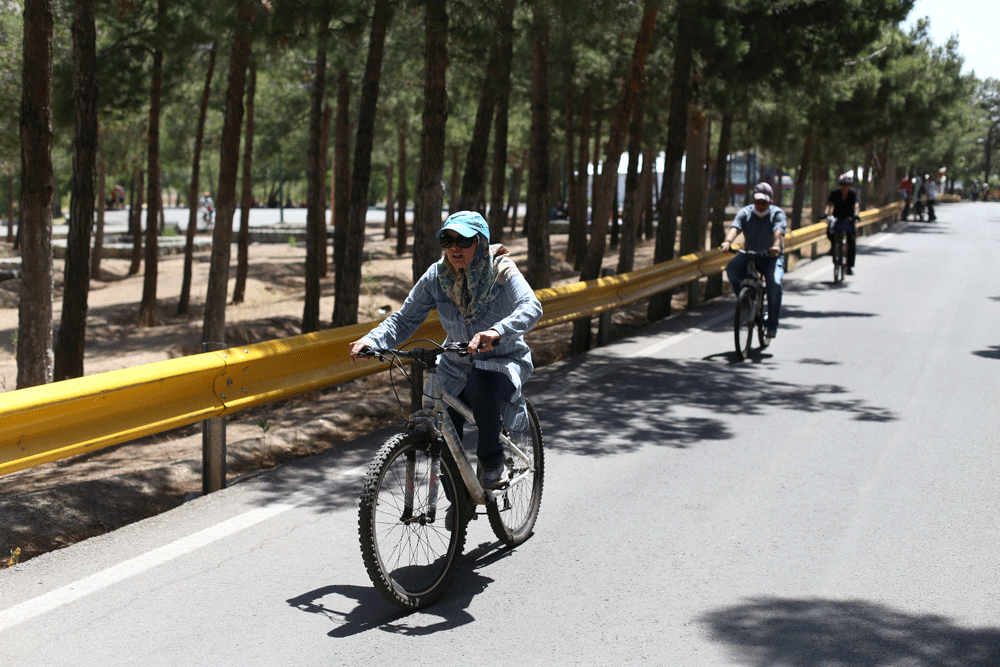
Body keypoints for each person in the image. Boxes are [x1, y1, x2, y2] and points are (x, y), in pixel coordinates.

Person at [349, 211, 542, 488]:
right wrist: (373, 339)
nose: (454, 248)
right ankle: (459, 499)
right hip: (454, 366)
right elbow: (405, 319)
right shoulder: (436, 276)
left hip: (502, 360)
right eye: (447, 240)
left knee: (480, 384)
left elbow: (531, 306)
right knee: (445, 431)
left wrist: (496, 332)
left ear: (480, 242)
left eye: (463, 240)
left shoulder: (501, 269)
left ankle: (492, 462)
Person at [720, 182, 786, 339]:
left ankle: (771, 325)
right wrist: (727, 242)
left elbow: (778, 233)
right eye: (758, 202)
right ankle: (745, 302)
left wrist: (776, 246)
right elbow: (735, 228)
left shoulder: (777, 214)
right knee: (732, 270)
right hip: (750, 256)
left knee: (774, 283)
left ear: (770, 202)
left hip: (771, 257)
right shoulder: (746, 212)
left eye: (764, 203)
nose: (761, 206)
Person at [825, 175, 860, 275]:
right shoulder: (835, 193)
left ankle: (849, 266)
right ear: (840, 185)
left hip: (849, 219)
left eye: (847, 185)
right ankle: (834, 249)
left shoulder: (853, 193)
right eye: (843, 185)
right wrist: (827, 214)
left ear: (850, 186)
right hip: (838, 218)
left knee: (852, 241)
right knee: (829, 231)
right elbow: (829, 205)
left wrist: (856, 215)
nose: (845, 187)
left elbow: (856, 205)